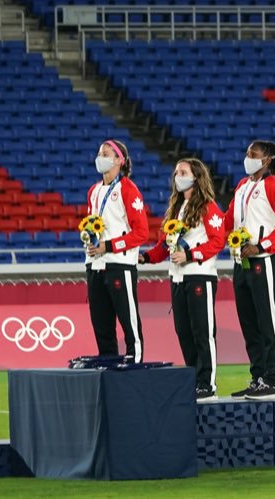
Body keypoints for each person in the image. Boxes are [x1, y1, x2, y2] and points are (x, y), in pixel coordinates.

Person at [141, 158, 224, 401]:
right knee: (184, 332)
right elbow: (163, 246)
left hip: (200, 276)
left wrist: (190, 255)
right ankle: (194, 380)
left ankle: (207, 384)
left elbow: (218, 241)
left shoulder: (208, 207)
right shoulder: (176, 209)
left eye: (183, 172)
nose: (178, 175)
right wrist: (145, 258)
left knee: (202, 332)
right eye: (176, 172)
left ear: (196, 177)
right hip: (177, 279)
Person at [225, 140, 275, 400]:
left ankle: (272, 379)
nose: (248, 157)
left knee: (267, 319)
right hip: (240, 261)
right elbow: (228, 218)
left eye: (252, 154)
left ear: (266, 160)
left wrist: (262, 245)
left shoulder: (273, 186)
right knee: (249, 322)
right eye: (246, 153)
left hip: (262, 260)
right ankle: (257, 376)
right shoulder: (242, 186)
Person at [83, 139, 150, 366]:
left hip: (119, 265)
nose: (100, 156)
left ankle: (136, 364)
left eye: (106, 153)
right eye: (99, 152)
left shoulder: (128, 189)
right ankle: (107, 366)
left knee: (128, 323)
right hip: (95, 265)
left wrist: (109, 246)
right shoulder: (93, 191)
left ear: (119, 161)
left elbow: (142, 233)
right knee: (101, 325)